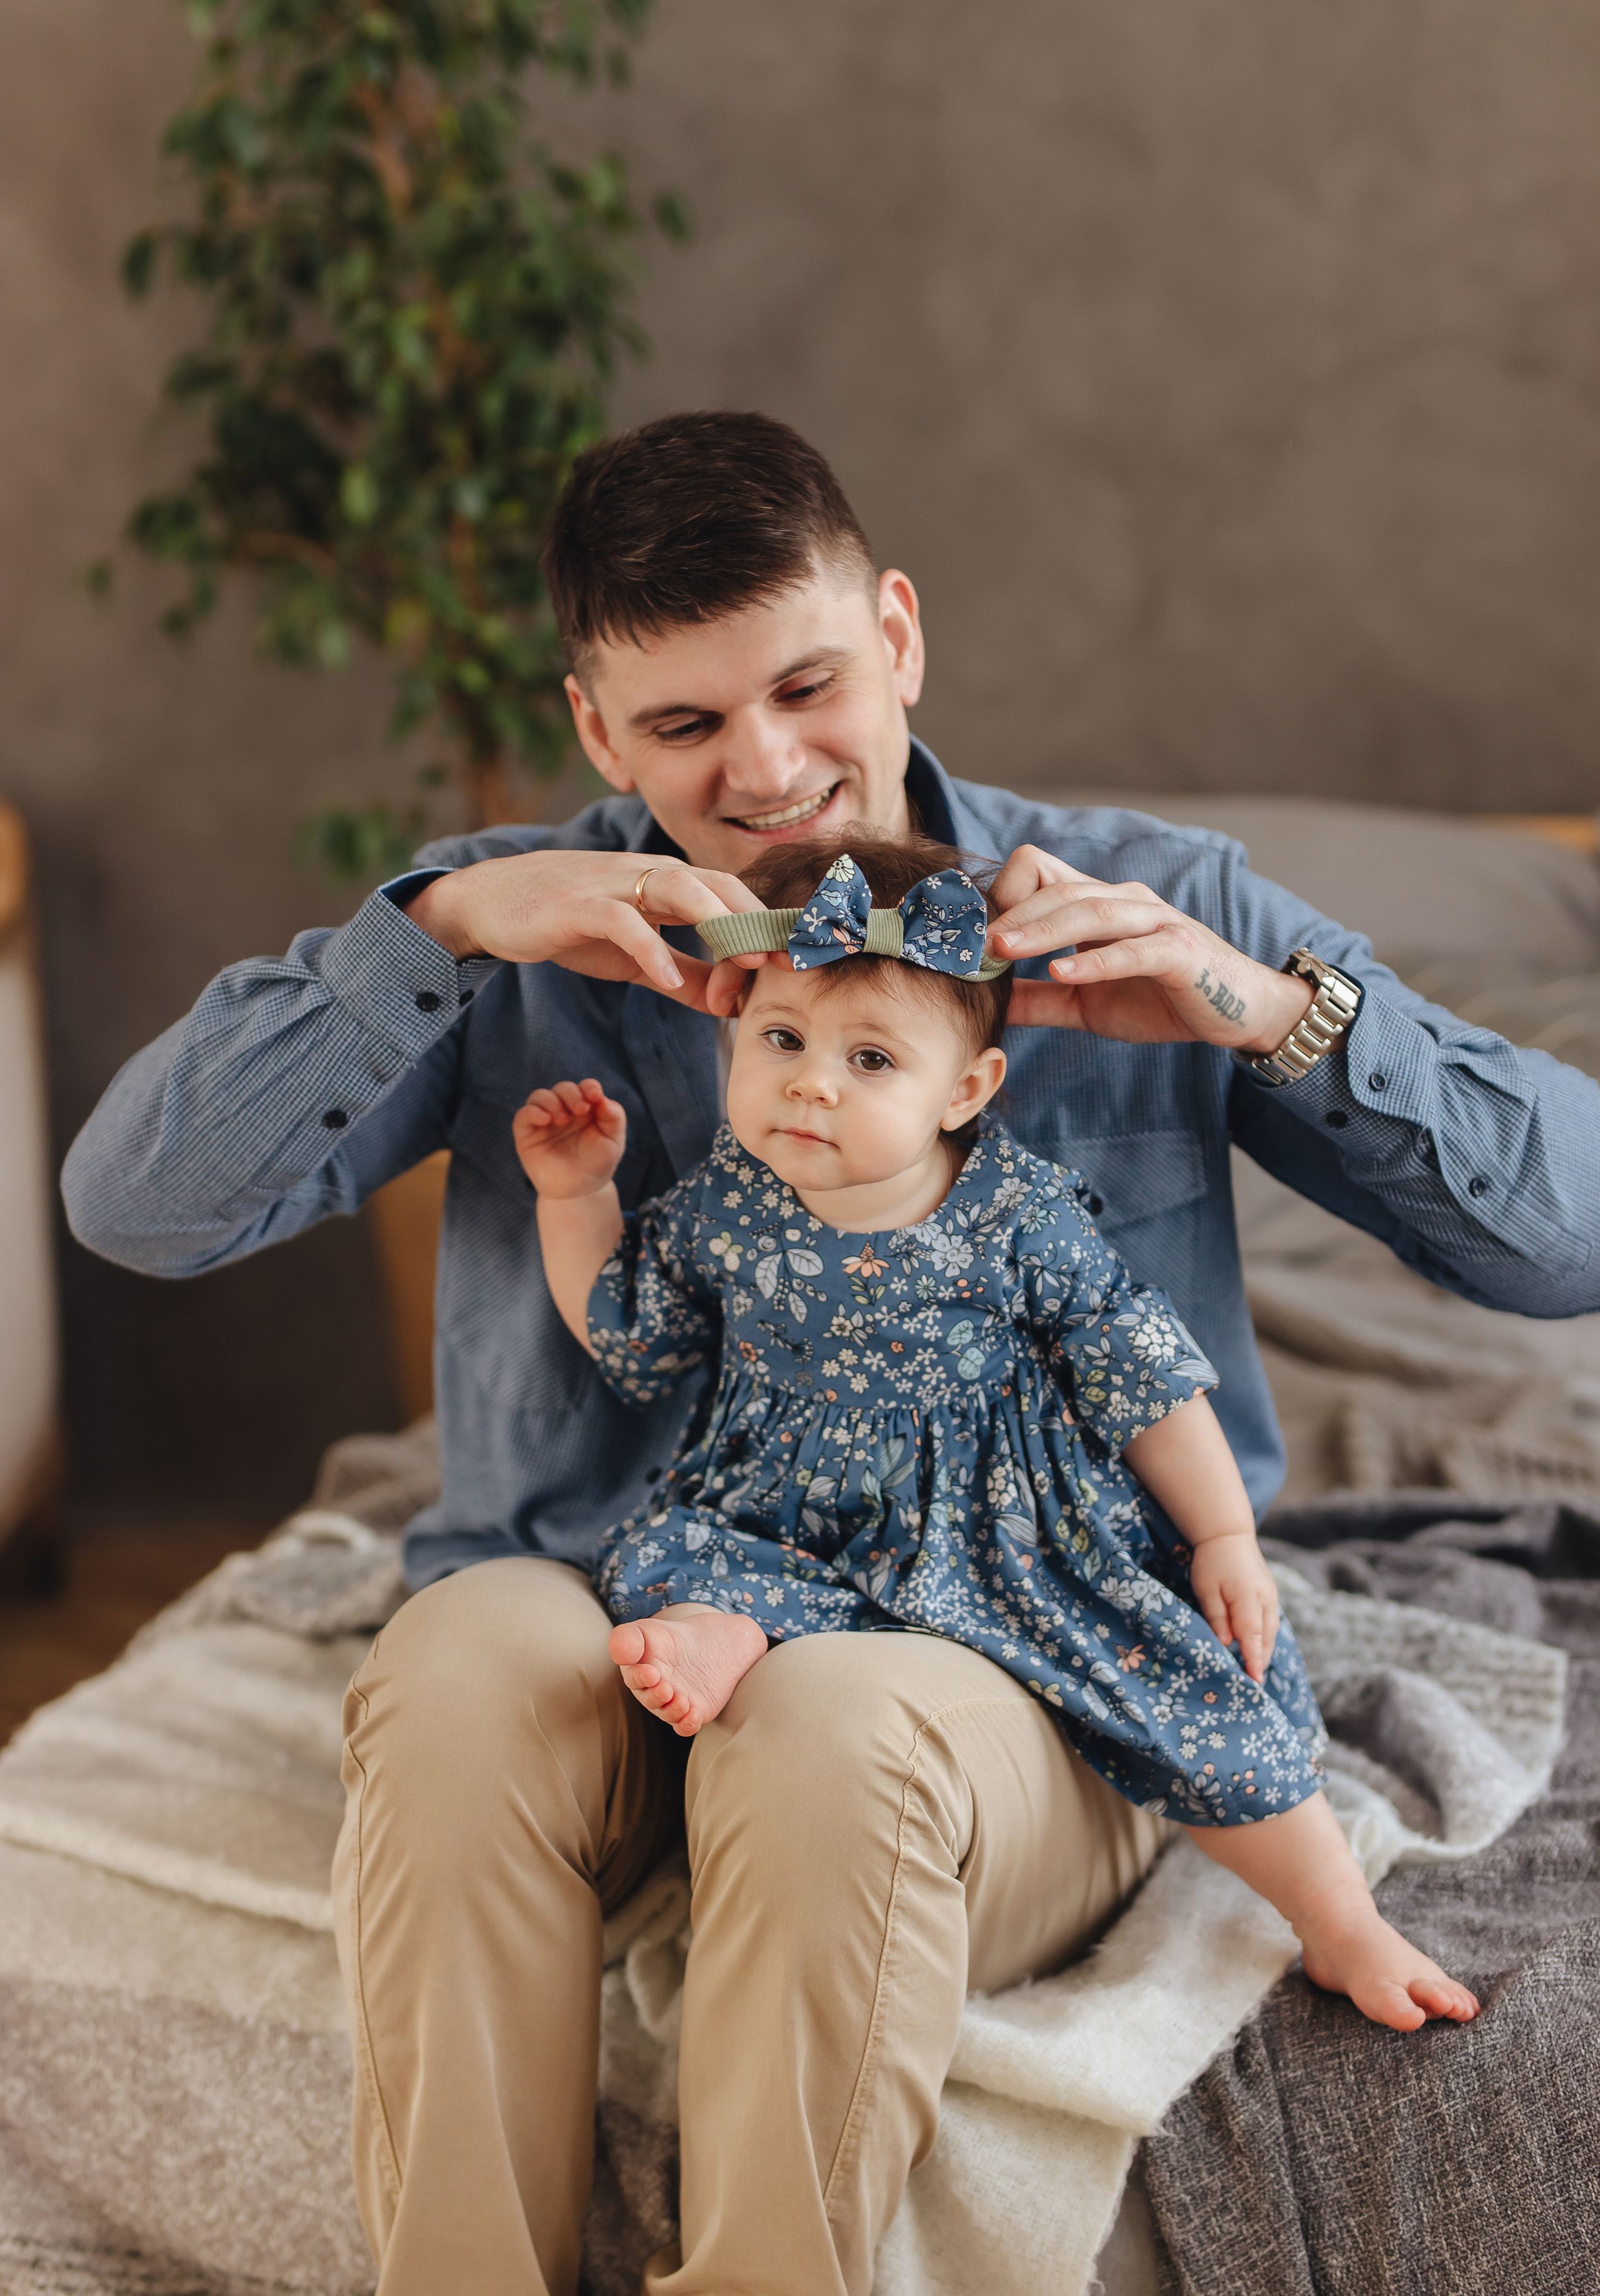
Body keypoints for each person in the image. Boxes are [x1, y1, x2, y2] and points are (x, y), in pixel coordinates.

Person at [62, 411, 1598, 2296]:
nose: (771, 771)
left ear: (898, 634)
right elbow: (133, 1207)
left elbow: (1571, 1242)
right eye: (689, 725)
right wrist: (441, 931)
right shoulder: (509, 931)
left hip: (1002, 1675)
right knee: (457, 1662)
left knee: (836, 1718)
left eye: (807, 686)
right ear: (596, 734)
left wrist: (1266, 1011)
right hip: (611, 1622)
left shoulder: (1138, 899)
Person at [515, 826, 1479, 2036]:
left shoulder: (1013, 1216)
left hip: (1007, 1538)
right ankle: (733, 1635)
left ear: (962, 1093)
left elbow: (1140, 1374)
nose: (811, 1082)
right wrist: (574, 1198)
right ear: (732, 1040)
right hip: (787, 1526)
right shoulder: (724, 1205)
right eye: (780, 1040)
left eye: (871, 1058)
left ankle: (1338, 1919)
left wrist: (1223, 1533)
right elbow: (630, 1337)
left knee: (1194, 1688)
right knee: (657, 1562)